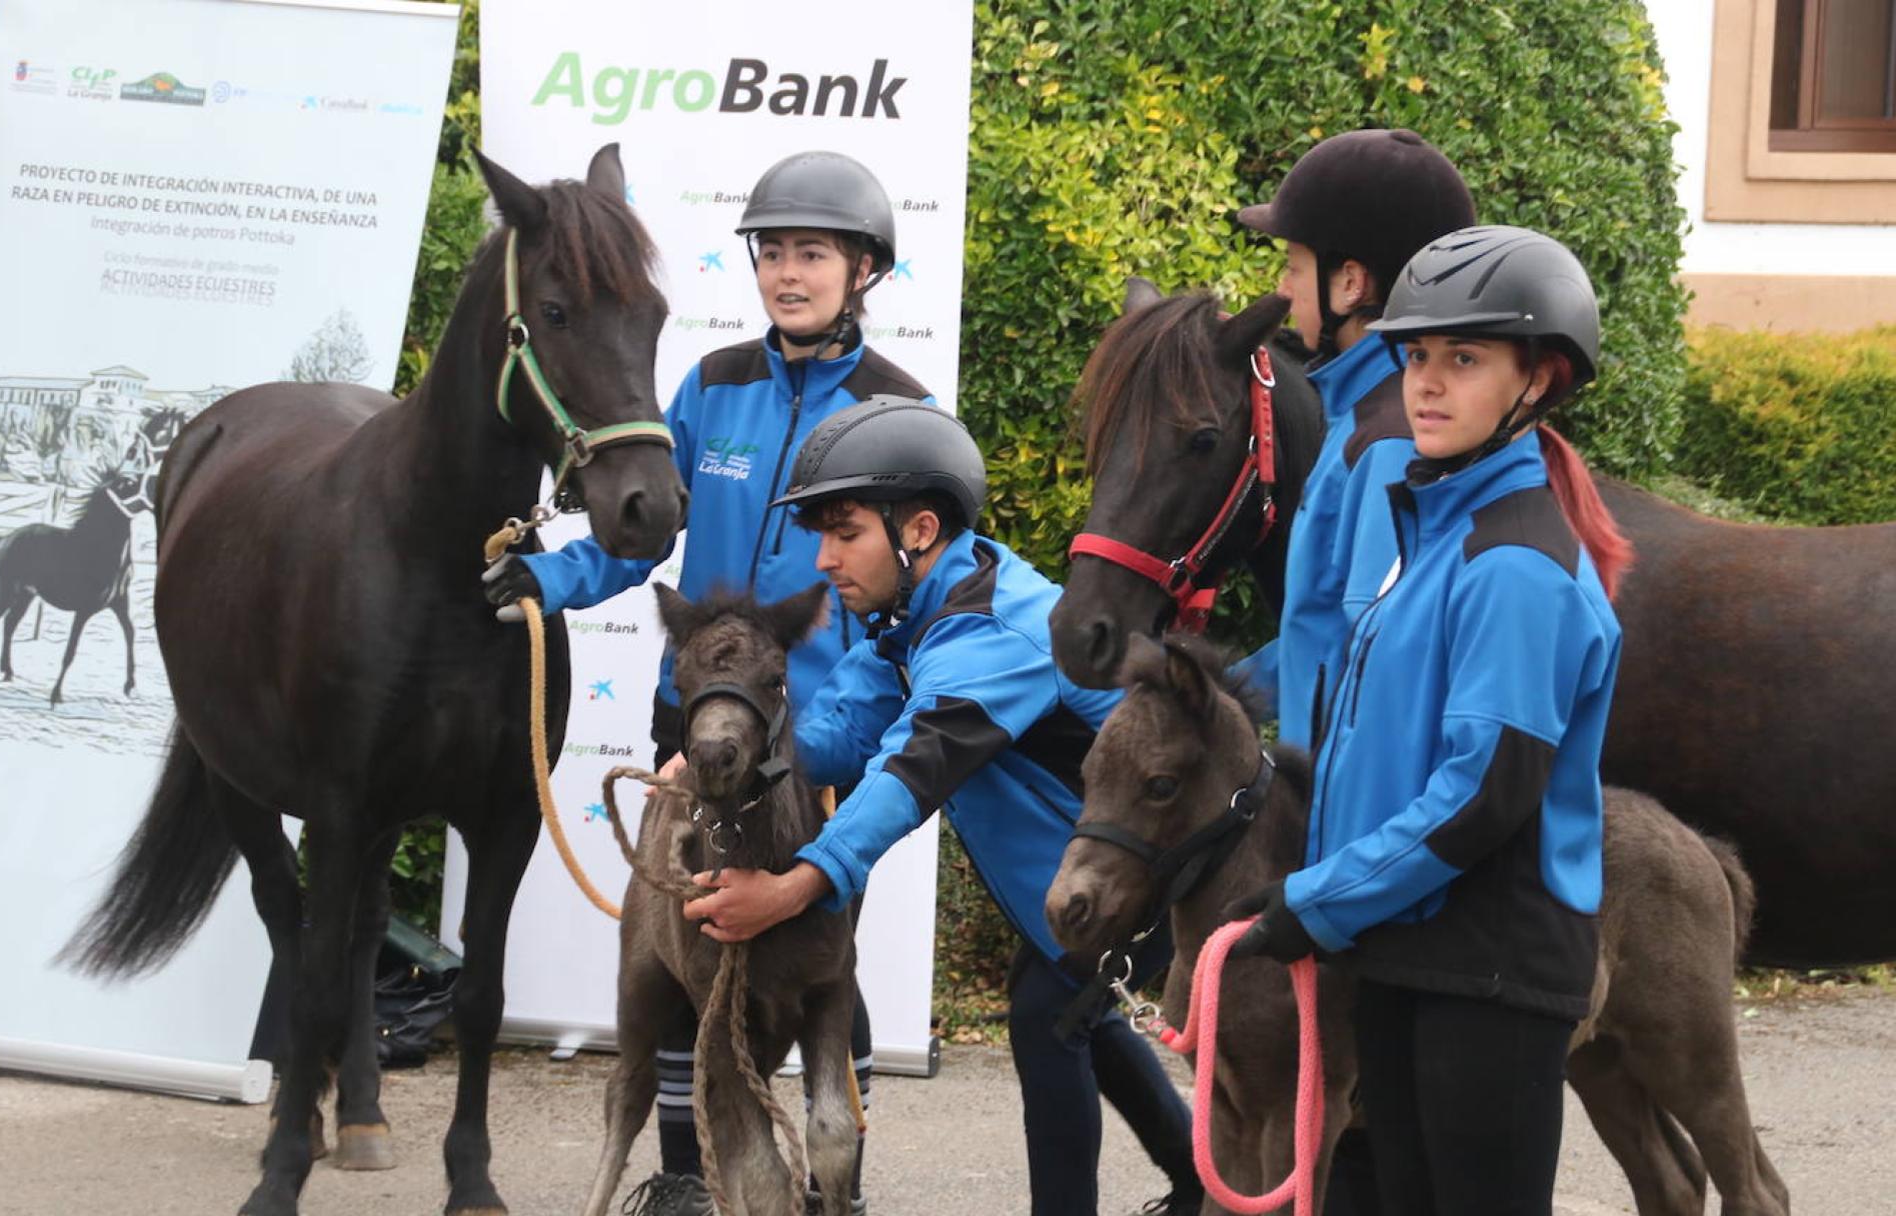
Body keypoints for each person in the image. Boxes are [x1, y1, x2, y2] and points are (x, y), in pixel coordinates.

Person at [481, 149, 930, 1216]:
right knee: (684, 953)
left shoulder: (897, 409)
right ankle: (685, 1180)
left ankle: (837, 1186)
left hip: (824, 734)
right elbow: (638, 537)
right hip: (694, 719)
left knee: (822, 963)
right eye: (772, 251)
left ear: (863, 267)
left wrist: (831, 738)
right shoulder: (711, 386)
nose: (786, 272)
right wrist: (545, 576)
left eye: (811, 253)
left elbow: (907, 597)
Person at [682, 397, 1205, 1216]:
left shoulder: (997, 630)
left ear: (917, 530)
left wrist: (796, 887)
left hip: (1169, 871)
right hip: (1083, 890)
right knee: (1075, 1005)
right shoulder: (902, 625)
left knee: (1052, 1016)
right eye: (819, 533)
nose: (823, 559)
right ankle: (1197, 1180)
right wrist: (731, 743)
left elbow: (908, 773)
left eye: (843, 532)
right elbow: (833, 738)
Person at [1223, 226, 1632, 1215]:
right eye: (1416, 357)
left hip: (1488, 970)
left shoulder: (1515, 565)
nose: (1428, 384)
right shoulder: (1431, 532)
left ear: (1535, 381)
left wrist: (1319, 899)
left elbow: (1481, 793)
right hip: (1407, 947)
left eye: (1464, 359)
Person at [1231, 128, 1477, 752]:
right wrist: (1215, 694)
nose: (1283, 290)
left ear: (1350, 284)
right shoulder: (1359, 417)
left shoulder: (1389, 442)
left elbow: (1374, 665)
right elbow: (1321, 630)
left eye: (1293, 267)